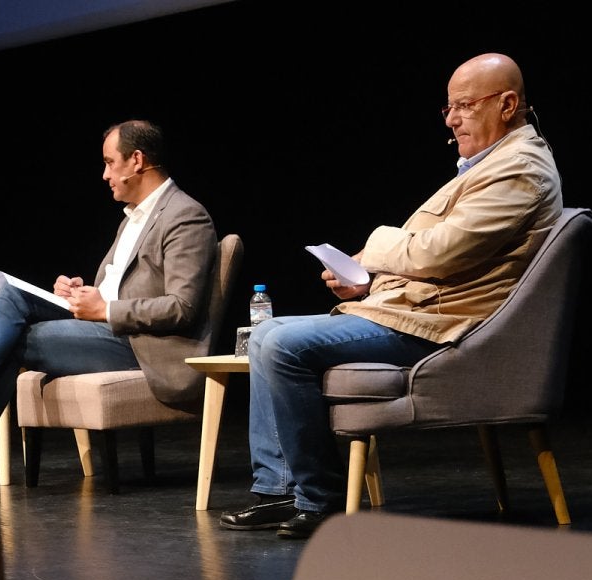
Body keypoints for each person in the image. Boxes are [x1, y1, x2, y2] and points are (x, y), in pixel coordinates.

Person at [221, 52, 562, 539]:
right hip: (421, 312)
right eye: (448, 108)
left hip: (452, 329)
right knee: (269, 332)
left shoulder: (519, 170)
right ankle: (278, 490)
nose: (452, 119)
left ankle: (319, 500)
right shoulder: (491, 165)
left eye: (464, 105)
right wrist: (368, 283)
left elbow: (441, 253)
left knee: (279, 342)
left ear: (507, 104)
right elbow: (453, 263)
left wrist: (373, 253)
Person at [0, 120, 217, 472]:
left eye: (110, 162)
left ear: (136, 160)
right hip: (108, 328)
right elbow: (121, 285)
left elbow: (182, 307)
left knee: (12, 340)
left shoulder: (185, 215)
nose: (105, 174)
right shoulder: (132, 219)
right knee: (13, 295)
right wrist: (79, 293)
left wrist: (106, 308)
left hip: (141, 345)